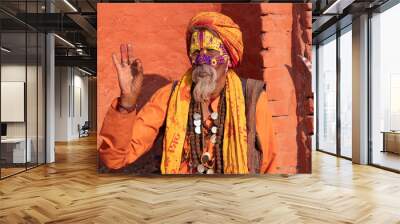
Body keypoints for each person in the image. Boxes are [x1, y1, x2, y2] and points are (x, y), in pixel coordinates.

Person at [99, 12, 277, 174]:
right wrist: (127, 102)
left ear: (229, 58)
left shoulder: (252, 98)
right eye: (196, 52)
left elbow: (269, 166)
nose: (202, 59)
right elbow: (115, 160)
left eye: (211, 51)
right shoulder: (170, 96)